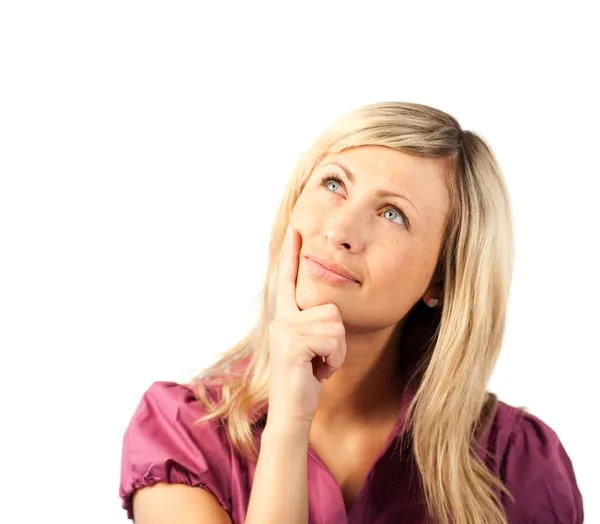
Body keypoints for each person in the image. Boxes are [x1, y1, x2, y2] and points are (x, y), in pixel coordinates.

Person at [119, 101, 584, 524]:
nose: (340, 229)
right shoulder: (182, 436)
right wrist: (287, 424)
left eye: (393, 214)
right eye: (334, 183)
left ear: (441, 277)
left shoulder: (518, 463)